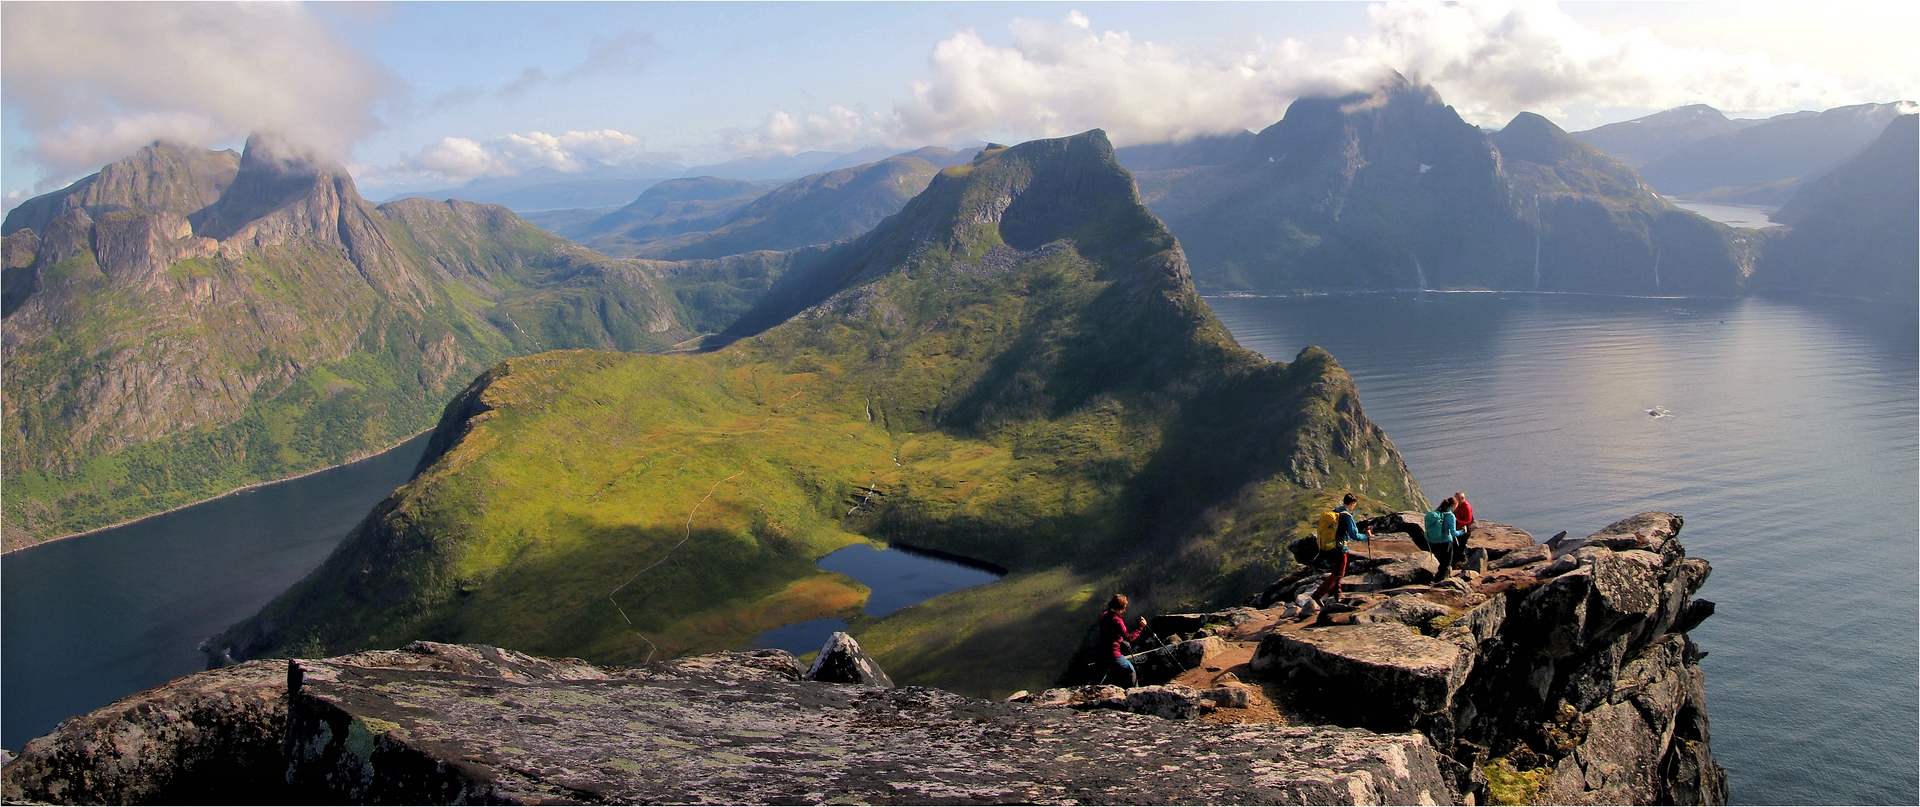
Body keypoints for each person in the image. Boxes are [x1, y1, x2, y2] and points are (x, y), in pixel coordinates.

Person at [1309, 493, 1371, 611]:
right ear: (1352, 503)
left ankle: (1337, 595)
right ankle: (1318, 594)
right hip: (1341, 549)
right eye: (1354, 505)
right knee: (1339, 573)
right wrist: (1366, 536)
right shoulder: (1347, 516)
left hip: (1330, 547)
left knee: (1335, 571)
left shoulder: (1335, 512)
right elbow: (1354, 535)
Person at [1095, 594, 1147, 688]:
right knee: (1131, 670)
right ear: (1121, 607)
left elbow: (1109, 633)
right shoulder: (1117, 620)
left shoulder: (1104, 615)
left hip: (1102, 652)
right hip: (1113, 653)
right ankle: (1135, 693)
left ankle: (1085, 694)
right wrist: (1141, 626)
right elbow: (1129, 637)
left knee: (1099, 677)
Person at [1424, 498, 1465, 577]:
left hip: (1435, 541)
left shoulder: (1438, 513)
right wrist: (1463, 531)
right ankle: (1441, 580)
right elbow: (1453, 533)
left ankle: (1436, 578)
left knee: (1440, 561)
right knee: (1447, 563)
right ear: (1453, 506)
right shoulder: (1450, 516)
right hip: (1446, 542)